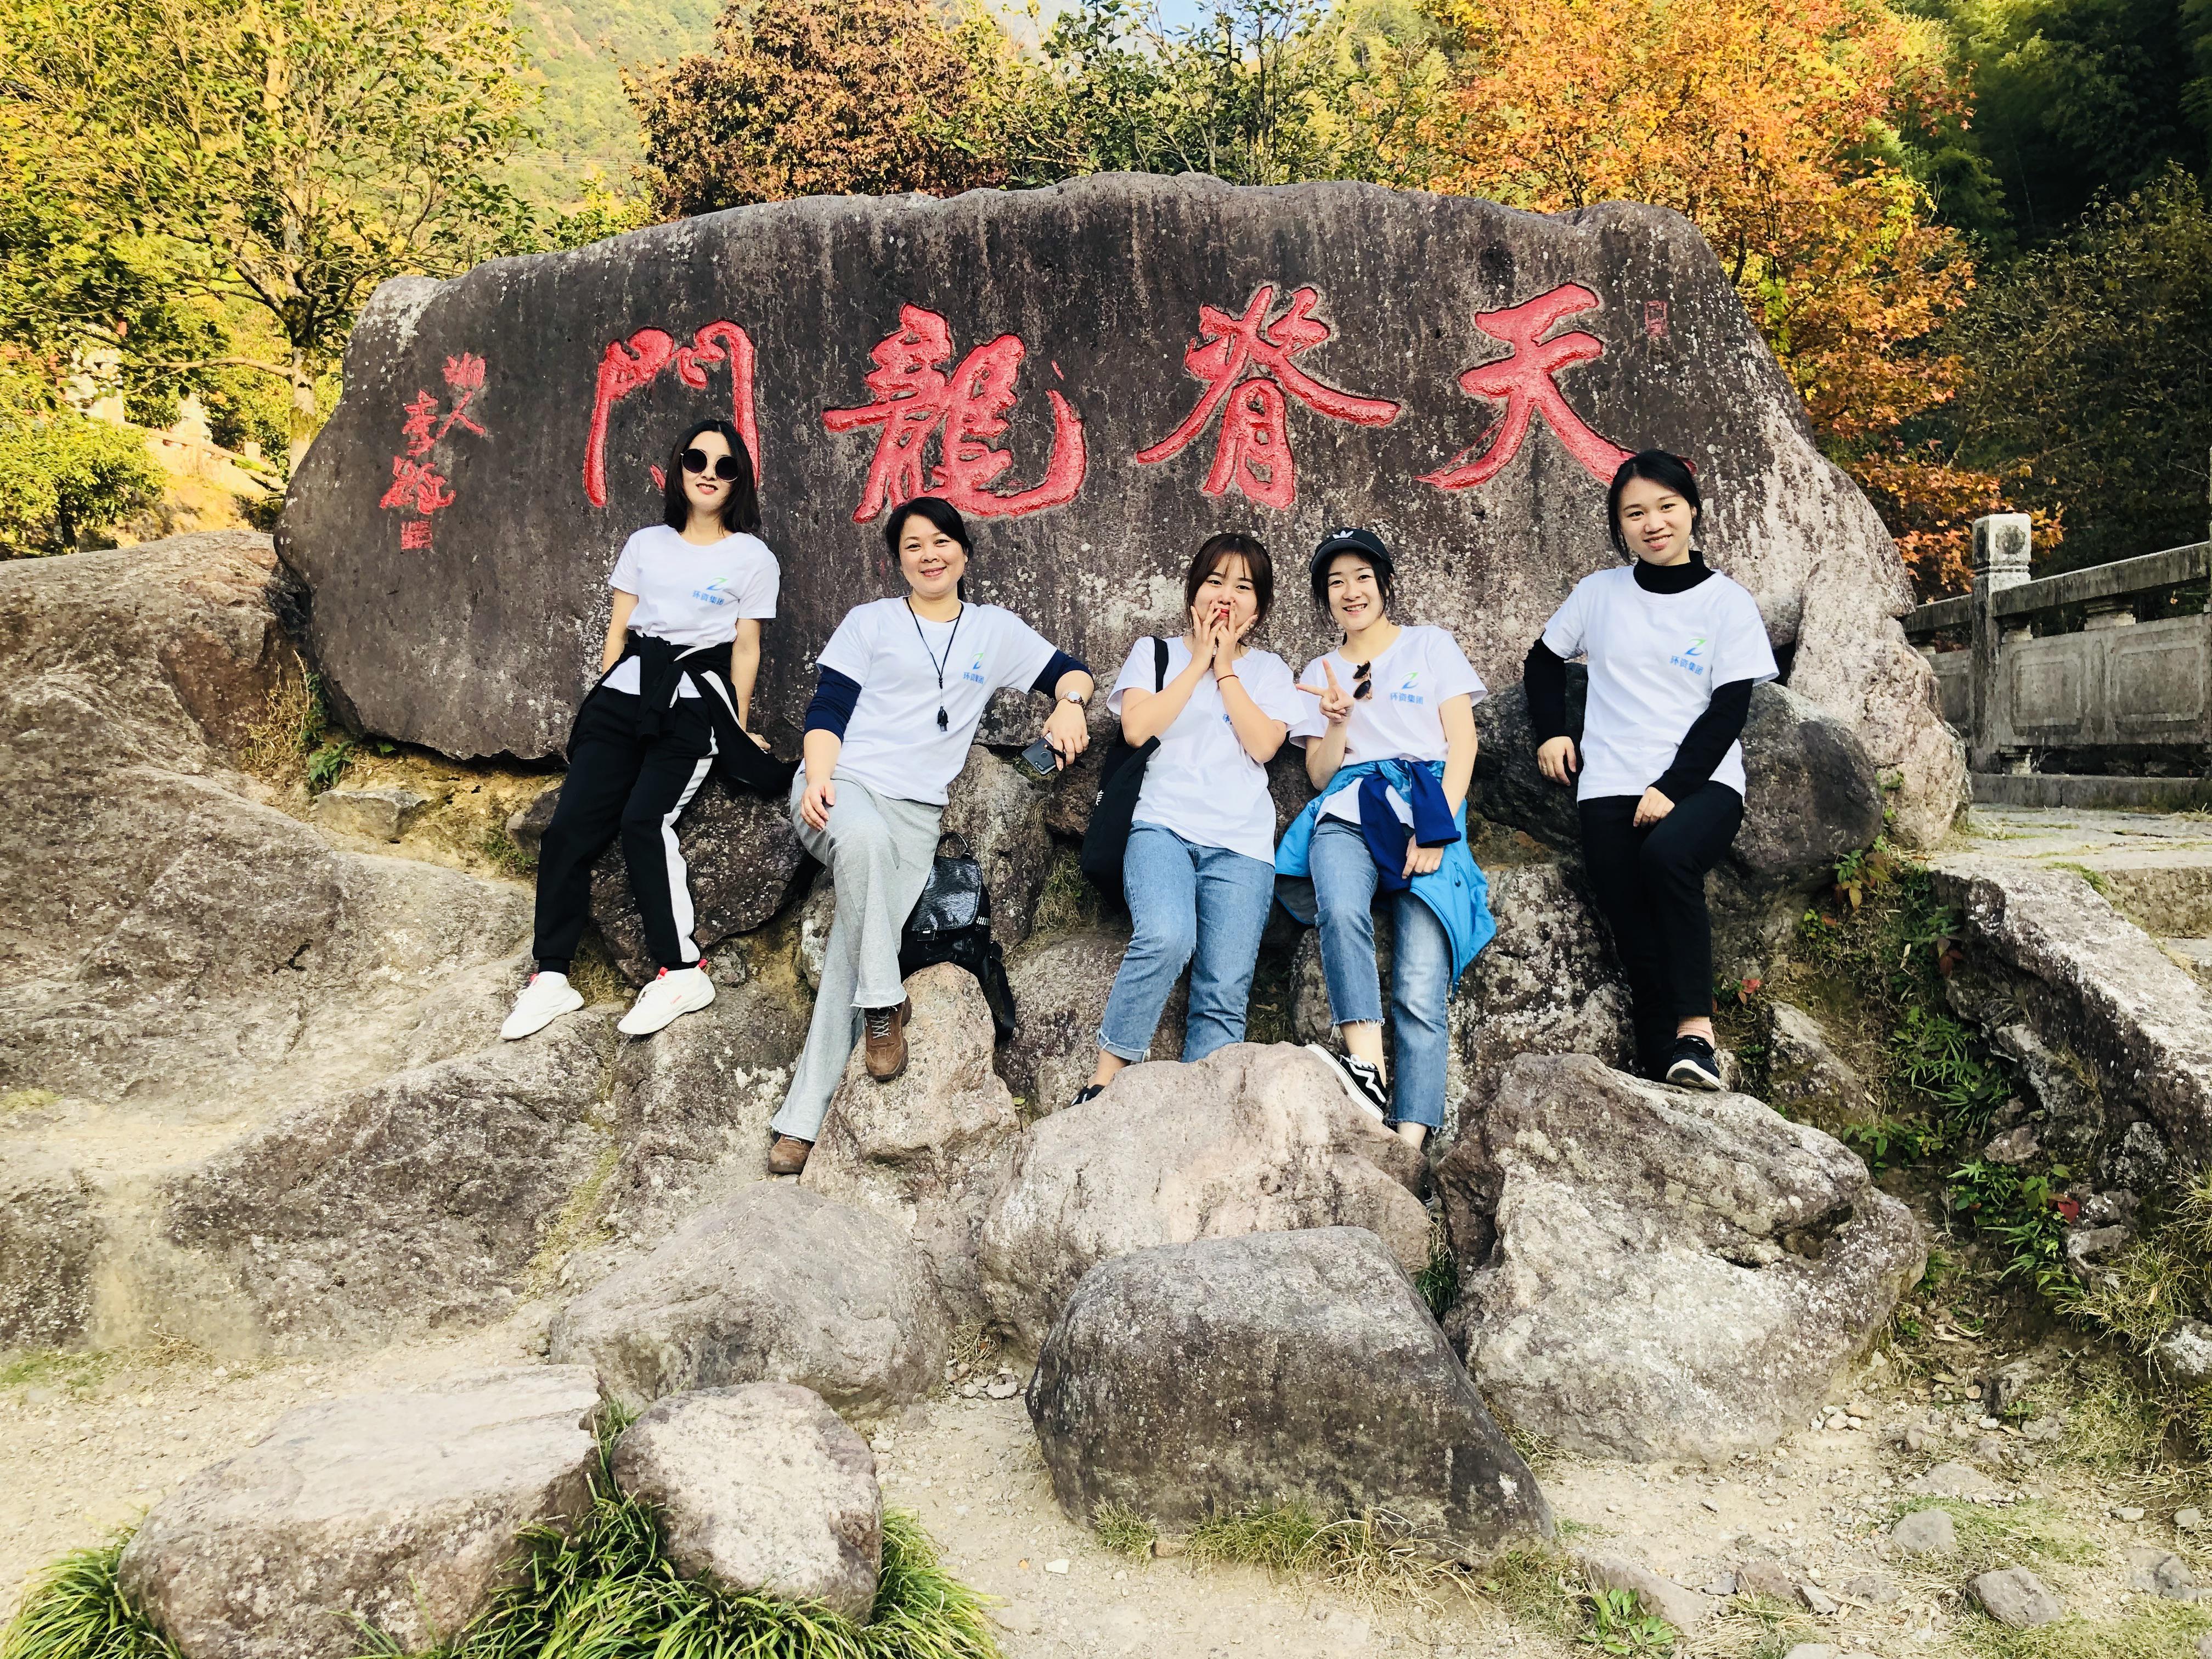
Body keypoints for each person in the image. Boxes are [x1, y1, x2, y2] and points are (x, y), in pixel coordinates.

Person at [768, 495, 1094, 1174]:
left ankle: (801, 1124)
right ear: (899, 561)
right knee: (860, 843)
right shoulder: (871, 622)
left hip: (915, 816)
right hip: (840, 787)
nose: (929, 555)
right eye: (913, 545)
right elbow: (827, 708)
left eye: (941, 541)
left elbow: (1072, 672)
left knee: (858, 945)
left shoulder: (993, 631)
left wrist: (1069, 705)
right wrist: (819, 774)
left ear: (964, 553)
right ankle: (886, 1004)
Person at [503, 418, 786, 1043]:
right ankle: (551, 976)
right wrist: (610, 698)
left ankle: (682, 972)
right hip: (627, 693)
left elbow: (746, 649)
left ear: (738, 480)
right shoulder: (645, 544)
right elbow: (619, 630)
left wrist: (738, 729)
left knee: (642, 822)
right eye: (696, 460)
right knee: (569, 827)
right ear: (679, 467)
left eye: (724, 466)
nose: (708, 474)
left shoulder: (752, 557)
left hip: (693, 701)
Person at [1523, 449, 1780, 1090]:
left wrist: (1671, 788)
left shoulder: (1727, 603)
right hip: (1607, 783)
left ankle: (1697, 1032)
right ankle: (1664, 1063)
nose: (1653, 523)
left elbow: (1729, 710)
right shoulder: (1599, 593)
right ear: (1620, 524)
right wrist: (1552, 731)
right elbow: (1543, 660)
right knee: (1631, 921)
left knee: (1668, 858)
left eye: (1666, 506)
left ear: (1692, 510)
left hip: (1705, 784)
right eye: (1635, 513)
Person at [1072, 534, 1312, 1109]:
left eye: (1243, 587)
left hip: (1242, 847)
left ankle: (1202, 1114)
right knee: (1166, 935)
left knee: (1224, 990)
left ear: (1260, 609)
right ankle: (1103, 1085)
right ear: (1193, 592)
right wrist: (1199, 661)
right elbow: (1137, 729)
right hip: (1161, 827)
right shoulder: (1154, 653)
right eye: (1215, 581)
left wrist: (1225, 669)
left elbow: (1263, 745)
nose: (1226, 596)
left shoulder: (1271, 671)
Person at [1276, 528, 1494, 1149]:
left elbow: (1463, 742)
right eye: (1335, 582)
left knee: (1420, 983)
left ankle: (1410, 1140)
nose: (1351, 592)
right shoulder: (1320, 673)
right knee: (1342, 908)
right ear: (1324, 596)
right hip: (1350, 804)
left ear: (1385, 583)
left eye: (1362, 577)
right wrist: (1338, 722)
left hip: (1427, 803)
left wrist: (1437, 829)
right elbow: (1321, 775)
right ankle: (1366, 1068)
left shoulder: (1430, 645)